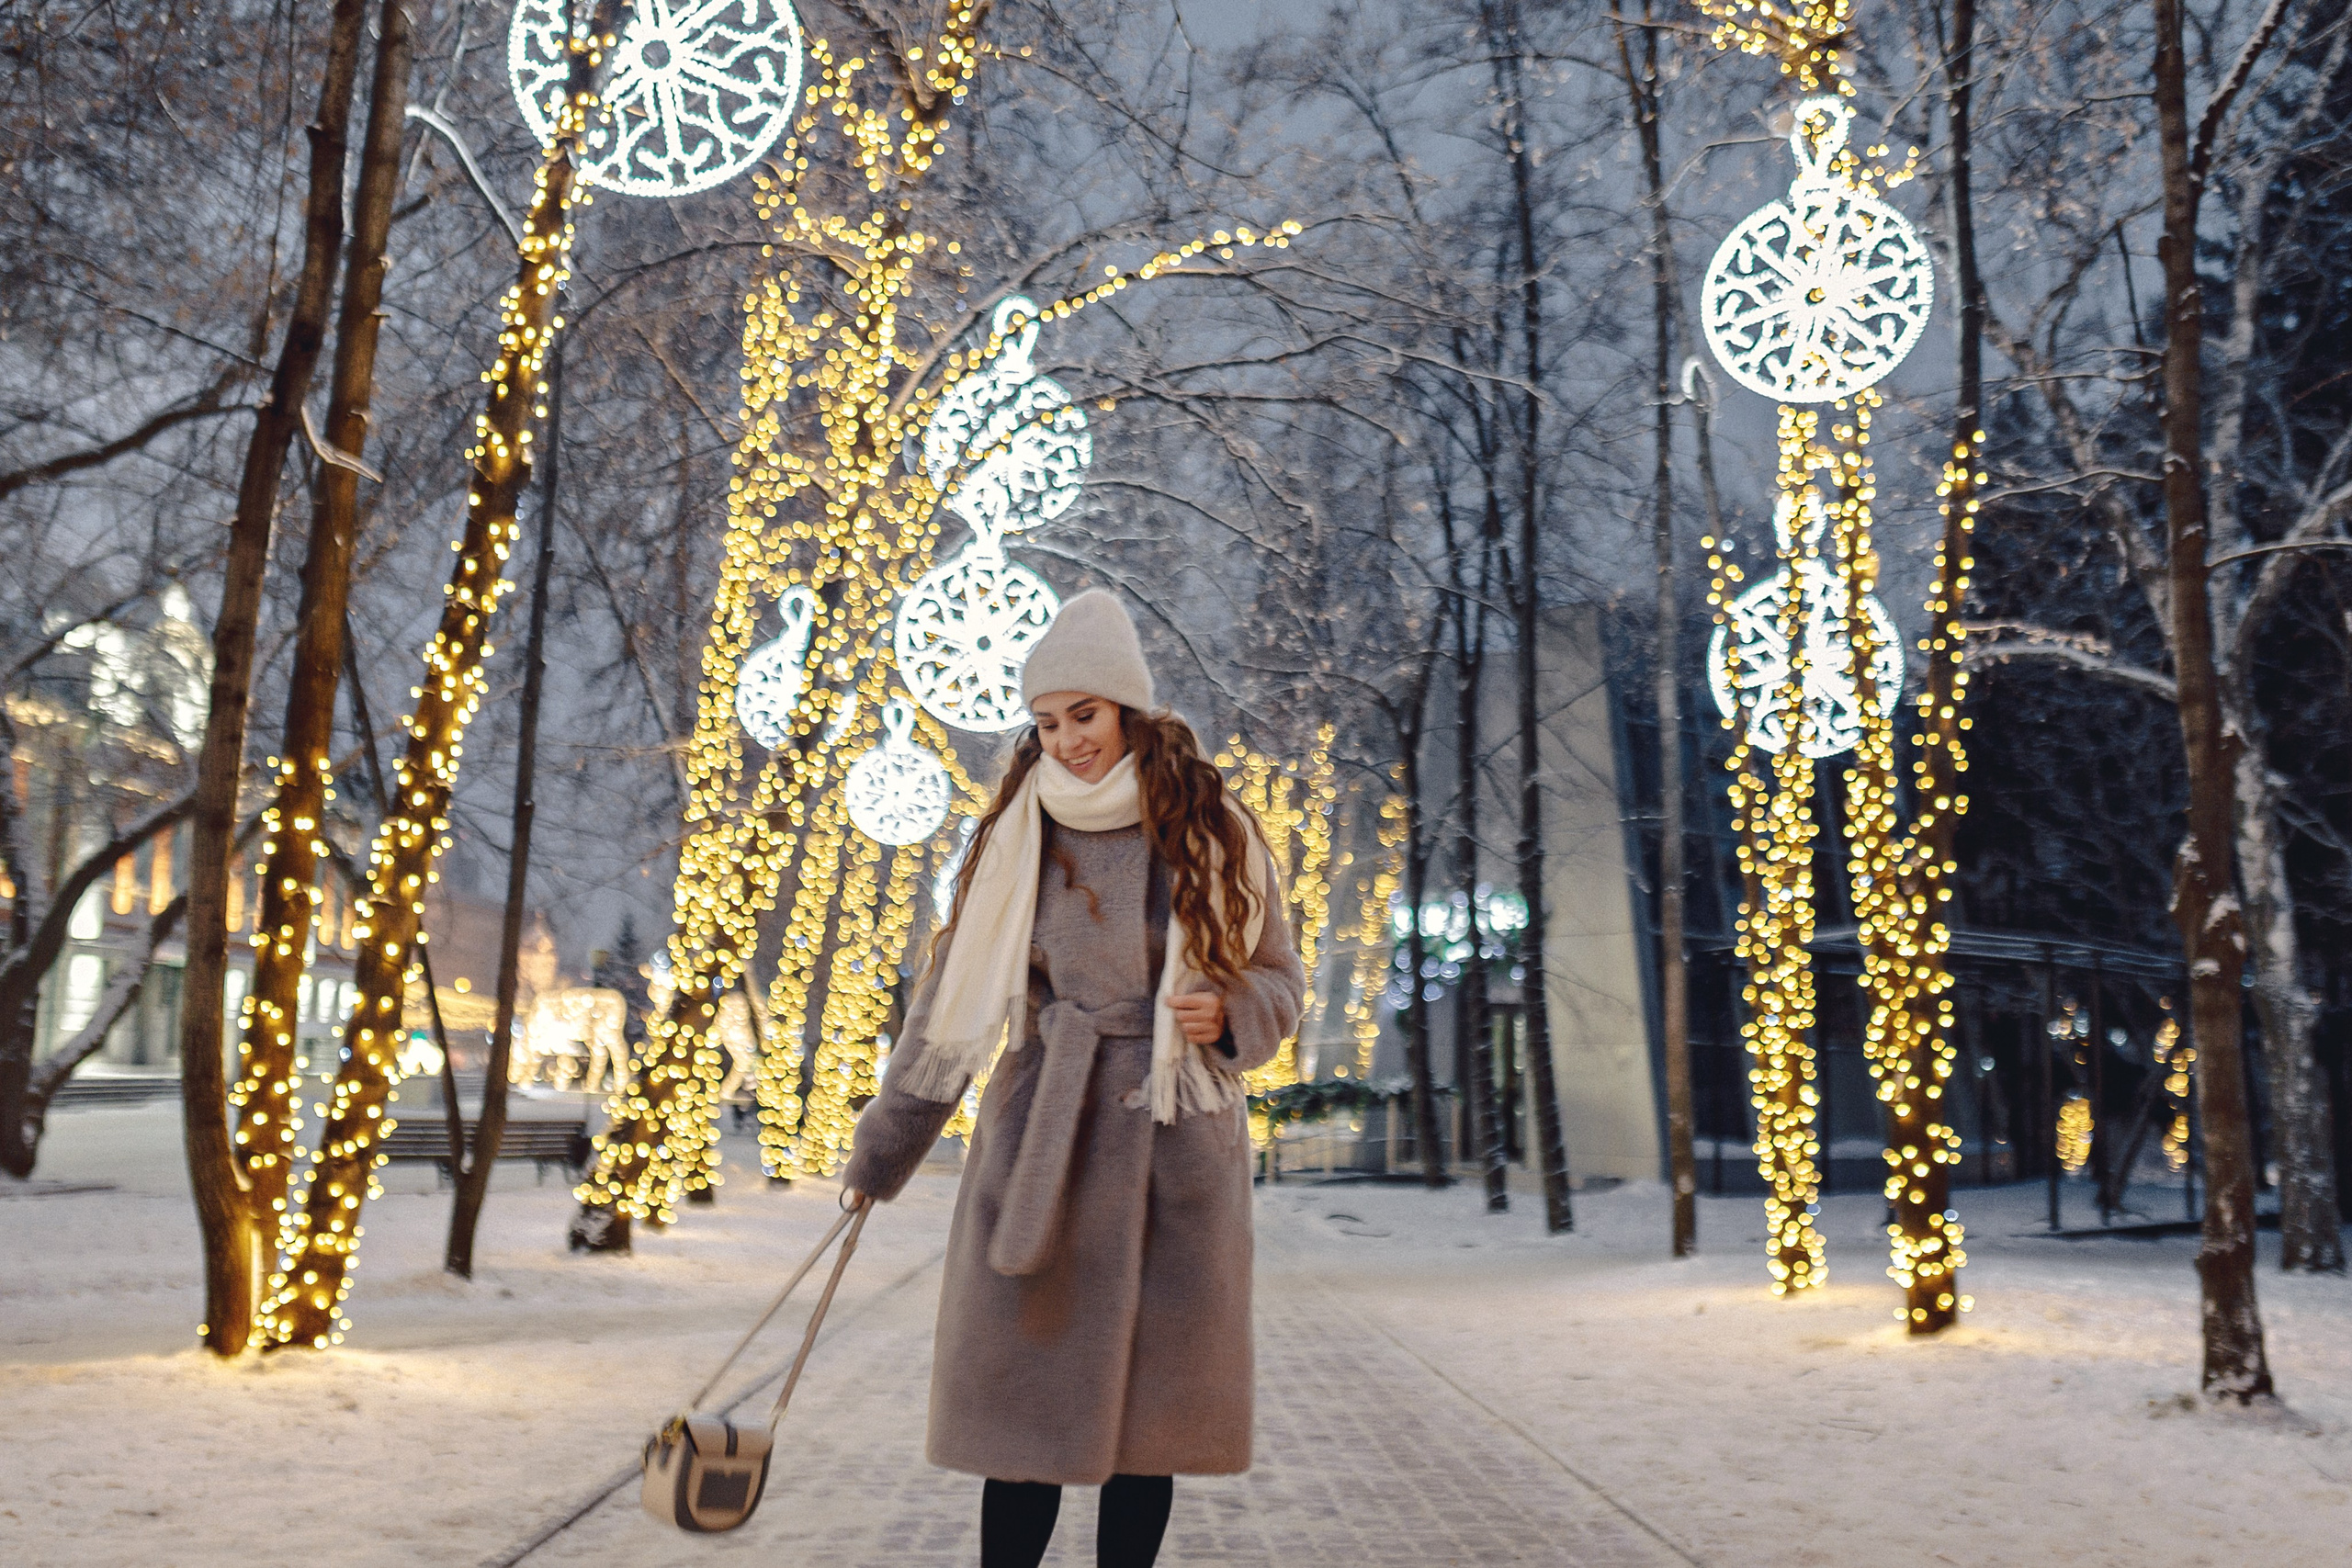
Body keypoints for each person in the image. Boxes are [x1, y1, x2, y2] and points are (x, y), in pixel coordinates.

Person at [840, 589, 1306, 1568]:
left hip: (1174, 1149)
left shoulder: (1218, 830)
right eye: (1047, 722)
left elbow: (1277, 980)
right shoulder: (1017, 832)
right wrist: (884, 1149)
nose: (1066, 741)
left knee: (1148, 1436)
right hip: (1044, 1139)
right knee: (1020, 1430)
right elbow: (948, 1006)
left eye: (1083, 716)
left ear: (1127, 709)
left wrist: (1229, 1015)